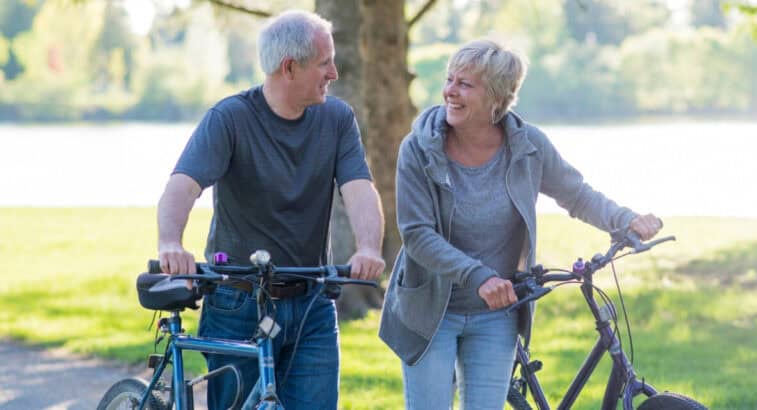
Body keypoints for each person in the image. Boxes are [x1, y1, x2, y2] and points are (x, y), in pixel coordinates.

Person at [379, 39, 663, 410]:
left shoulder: (528, 146)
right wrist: (478, 276)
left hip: (496, 315)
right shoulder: (418, 148)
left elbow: (576, 195)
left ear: (496, 97)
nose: (450, 91)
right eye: (450, 80)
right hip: (432, 310)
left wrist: (625, 219)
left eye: (465, 84)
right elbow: (417, 235)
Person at [157, 10, 386, 410]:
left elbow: (360, 188)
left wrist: (368, 247)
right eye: (324, 62)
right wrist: (170, 242)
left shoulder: (337, 119)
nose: (334, 71)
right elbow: (183, 185)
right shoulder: (230, 118)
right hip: (239, 301)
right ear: (289, 68)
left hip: (313, 301)